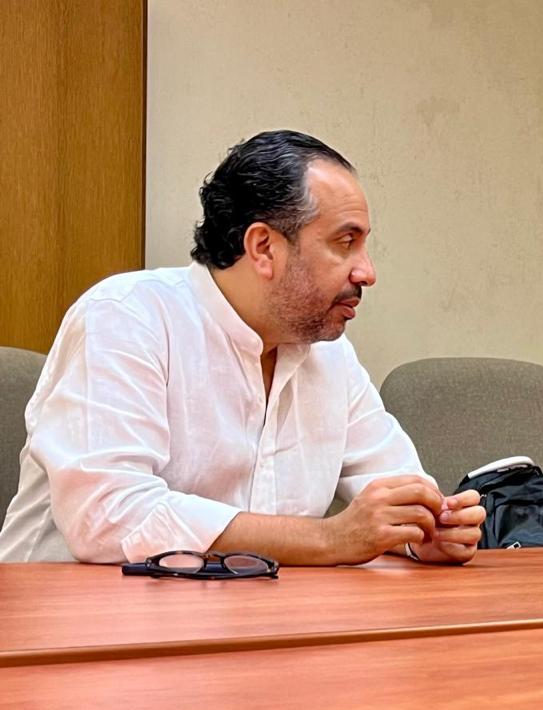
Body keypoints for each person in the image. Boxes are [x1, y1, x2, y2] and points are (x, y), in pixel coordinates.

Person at [0, 130, 484, 566]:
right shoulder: (126, 316)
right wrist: (330, 539)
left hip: (254, 619)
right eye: (345, 243)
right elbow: (109, 516)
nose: (367, 272)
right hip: (73, 619)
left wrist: (425, 532)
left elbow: (397, 489)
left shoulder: (329, 354)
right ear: (263, 248)